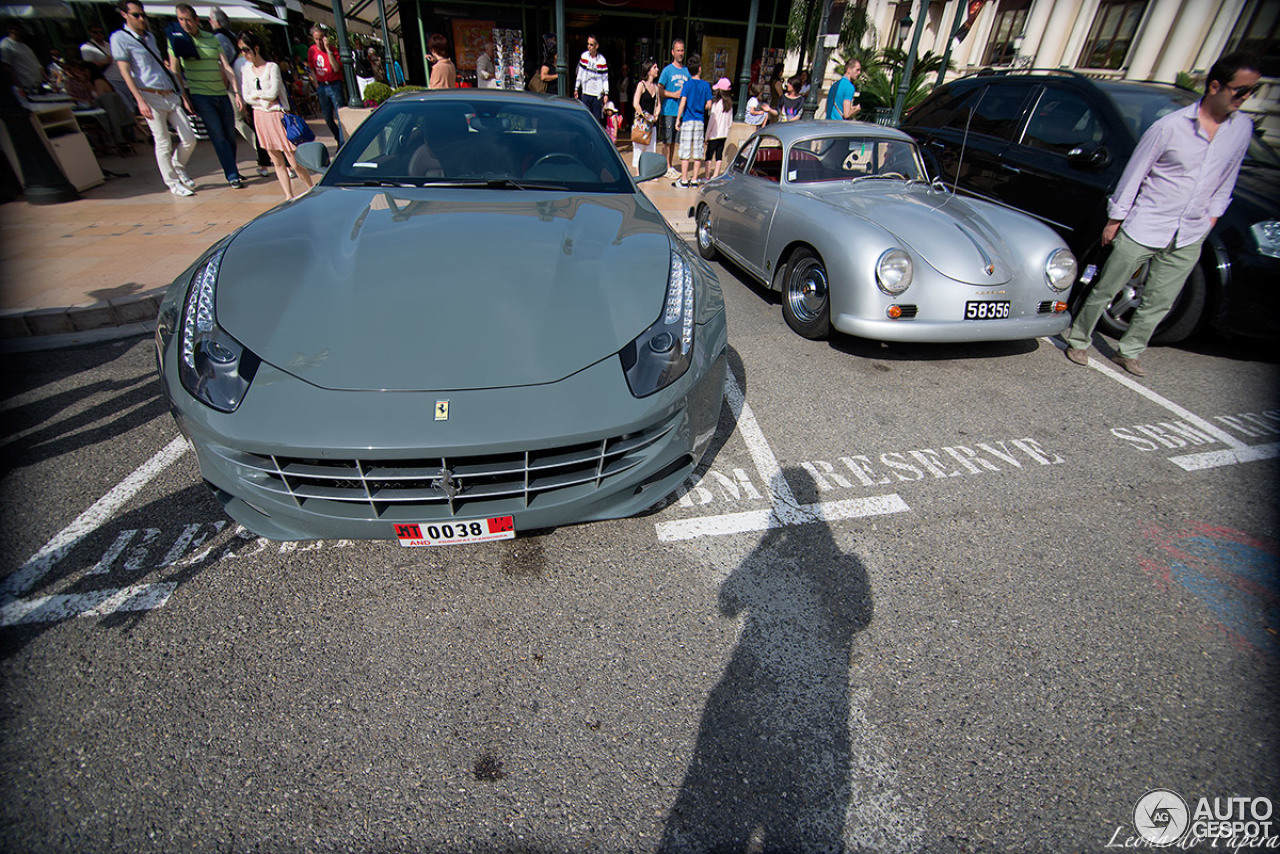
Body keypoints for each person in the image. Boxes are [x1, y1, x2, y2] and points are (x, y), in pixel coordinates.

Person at [1063, 52, 1261, 378]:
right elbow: (1135, 174)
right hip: (1146, 222)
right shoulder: (1170, 127)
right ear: (1215, 86)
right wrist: (1116, 219)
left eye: (1250, 91)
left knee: (1160, 299)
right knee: (1107, 285)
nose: (1245, 98)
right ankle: (1079, 337)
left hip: (1191, 230)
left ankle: (1131, 350)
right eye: (1240, 91)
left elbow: (1228, 175)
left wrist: (1213, 215)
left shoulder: (1241, 129)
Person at [112, 0, 199, 195]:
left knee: (189, 138)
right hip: (149, 95)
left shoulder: (149, 36)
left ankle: (178, 166)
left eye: (143, 14)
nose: (142, 19)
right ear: (124, 15)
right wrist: (139, 100)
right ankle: (172, 182)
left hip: (168, 93)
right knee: (162, 142)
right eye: (136, 15)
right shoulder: (120, 38)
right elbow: (125, 72)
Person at [168, 3, 244, 188]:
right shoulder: (177, 41)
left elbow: (225, 66)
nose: (185, 24)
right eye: (180, 20)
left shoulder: (212, 38)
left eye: (188, 20)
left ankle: (231, 166)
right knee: (218, 135)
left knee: (230, 135)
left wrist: (236, 92)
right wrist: (184, 96)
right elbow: (174, 70)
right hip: (201, 95)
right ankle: (231, 174)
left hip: (221, 92)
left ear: (196, 20)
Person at [238, 32, 312, 200]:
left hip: (277, 115)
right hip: (260, 117)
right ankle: (288, 195)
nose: (244, 53)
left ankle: (311, 187)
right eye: (241, 50)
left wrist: (257, 96)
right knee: (276, 160)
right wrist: (260, 97)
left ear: (256, 48)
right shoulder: (246, 70)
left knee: (293, 160)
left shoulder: (272, 67)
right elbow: (246, 97)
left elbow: (273, 93)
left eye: (246, 49)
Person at [673, 54, 712, 189]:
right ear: (699, 69)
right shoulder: (706, 85)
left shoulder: (687, 85)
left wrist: (678, 119)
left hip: (688, 120)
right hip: (699, 120)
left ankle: (684, 180)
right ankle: (694, 179)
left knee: (685, 150)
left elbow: (682, 103)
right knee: (697, 151)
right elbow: (709, 105)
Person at [81, 23, 134, 112]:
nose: (99, 34)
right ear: (90, 33)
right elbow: (90, 66)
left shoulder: (108, 44)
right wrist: (105, 62)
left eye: (101, 32)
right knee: (125, 105)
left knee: (130, 102)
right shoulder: (87, 47)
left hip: (122, 76)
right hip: (109, 78)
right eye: (95, 32)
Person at [657, 39, 690, 176]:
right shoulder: (667, 71)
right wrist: (673, 94)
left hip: (680, 113)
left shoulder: (687, 72)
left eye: (682, 50)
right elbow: (659, 89)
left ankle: (670, 166)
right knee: (666, 141)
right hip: (668, 110)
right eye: (678, 50)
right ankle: (666, 167)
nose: (680, 53)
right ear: (672, 52)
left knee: (674, 142)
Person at [307, 25, 344, 145]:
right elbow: (312, 68)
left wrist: (328, 50)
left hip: (334, 84)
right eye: (316, 39)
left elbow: (336, 67)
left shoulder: (332, 50)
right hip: (322, 86)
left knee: (340, 116)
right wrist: (316, 84)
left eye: (321, 38)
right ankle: (338, 138)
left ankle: (342, 142)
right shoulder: (312, 50)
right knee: (328, 118)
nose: (319, 42)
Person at [631, 59, 659, 171]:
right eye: (654, 67)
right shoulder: (641, 85)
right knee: (638, 147)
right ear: (648, 70)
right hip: (641, 122)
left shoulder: (656, 87)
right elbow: (636, 103)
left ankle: (649, 171)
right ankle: (638, 171)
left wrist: (656, 115)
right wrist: (644, 115)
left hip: (651, 123)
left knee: (651, 147)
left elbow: (658, 103)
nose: (657, 69)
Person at [574, 34, 608, 123]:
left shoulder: (602, 60)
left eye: (591, 45)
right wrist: (576, 88)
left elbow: (605, 78)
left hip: (597, 94)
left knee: (596, 119)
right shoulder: (584, 56)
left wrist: (606, 93)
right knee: (585, 118)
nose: (589, 46)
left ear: (596, 46)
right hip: (586, 92)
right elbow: (580, 74)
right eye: (588, 44)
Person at [704, 77, 733, 179]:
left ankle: (707, 175)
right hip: (723, 134)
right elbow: (730, 123)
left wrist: (706, 135)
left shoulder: (716, 105)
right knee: (719, 155)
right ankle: (716, 174)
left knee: (709, 155)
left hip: (714, 134)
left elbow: (712, 121)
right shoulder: (730, 105)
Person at [1, 22, 44, 91]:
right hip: (25, 86)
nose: (13, 31)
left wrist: (48, 80)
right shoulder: (5, 44)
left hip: (37, 84)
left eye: (16, 29)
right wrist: (18, 85)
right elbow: (7, 66)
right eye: (10, 29)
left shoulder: (25, 46)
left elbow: (37, 64)